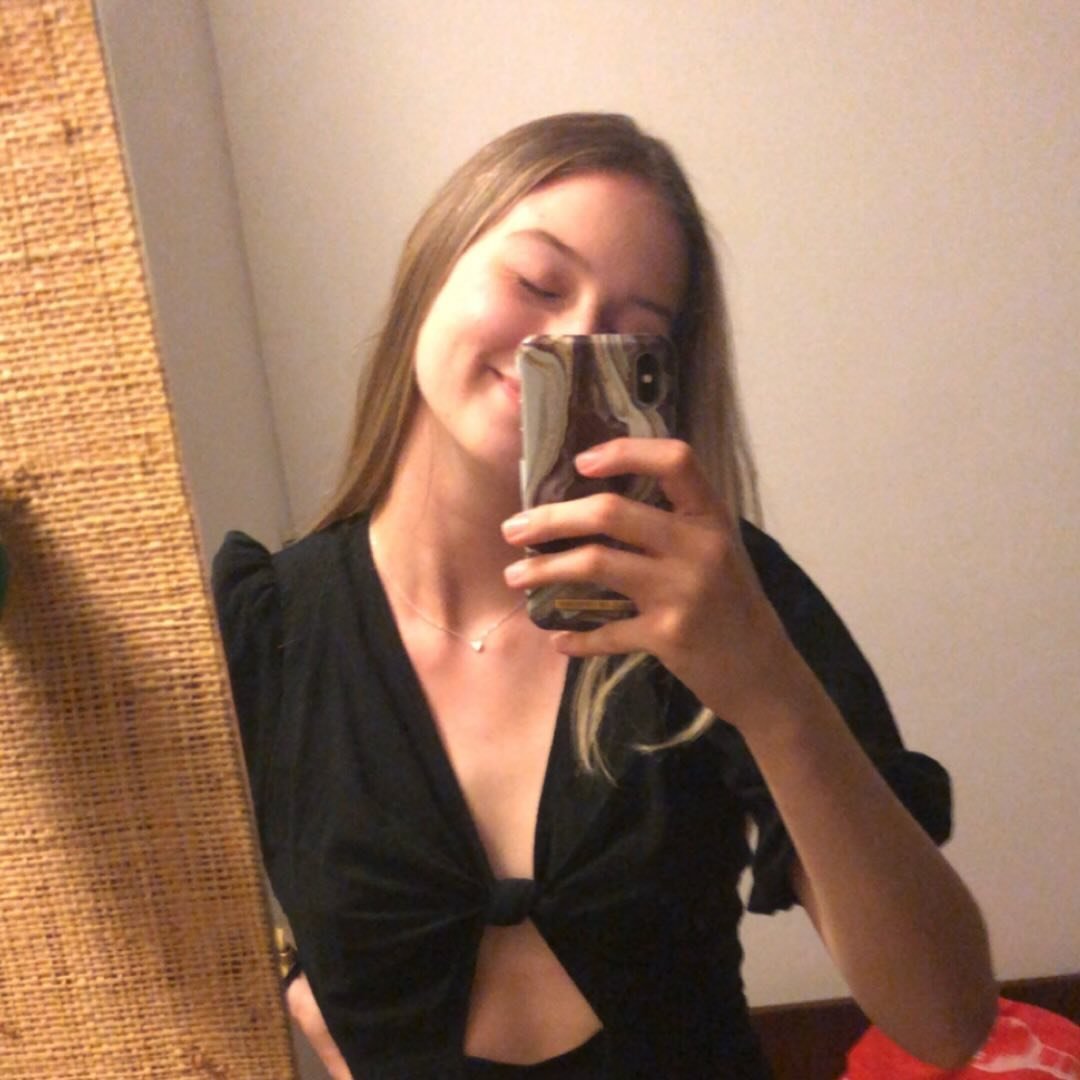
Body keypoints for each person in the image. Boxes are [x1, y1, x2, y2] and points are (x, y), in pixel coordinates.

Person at [213, 113, 997, 1079]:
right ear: (432, 273)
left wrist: (769, 692)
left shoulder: (712, 593)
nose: (574, 338)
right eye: (538, 283)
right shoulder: (268, 627)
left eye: (636, 335)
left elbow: (946, 1021)